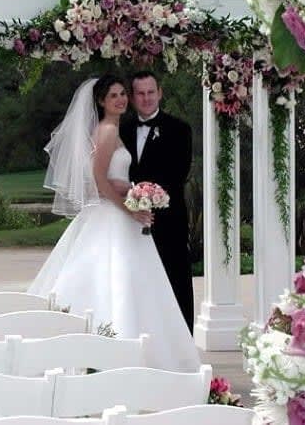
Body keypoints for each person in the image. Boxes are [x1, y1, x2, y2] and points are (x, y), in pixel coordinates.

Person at [28, 74, 200, 372]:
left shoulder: (168, 129)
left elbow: (172, 175)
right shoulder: (110, 130)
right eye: (116, 95)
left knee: (150, 287)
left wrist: (133, 192)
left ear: (160, 93)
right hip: (118, 217)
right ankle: (115, 354)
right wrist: (130, 206)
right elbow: (98, 179)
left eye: (123, 94)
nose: (123, 99)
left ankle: (158, 354)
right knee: (112, 279)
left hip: (151, 219)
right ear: (101, 101)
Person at [120, 71, 194, 333]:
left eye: (151, 92)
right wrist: (131, 203)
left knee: (175, 282)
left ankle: (182, 341)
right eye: (140, 93)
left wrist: (147, 197)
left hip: (169, 220)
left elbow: (178, 174)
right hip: (128, 221)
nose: (146, 98)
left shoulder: (179, 129)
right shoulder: (120, 129)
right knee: (136, 284)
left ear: (160, 93)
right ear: (132, 98)